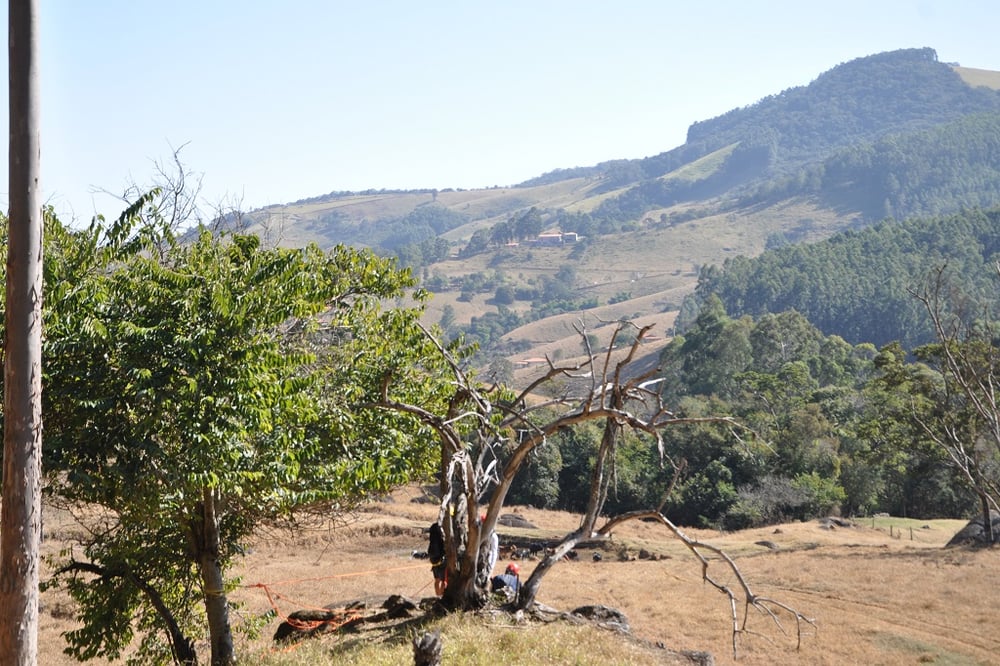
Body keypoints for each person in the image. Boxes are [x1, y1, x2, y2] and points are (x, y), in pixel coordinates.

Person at [428, 522, 446, 596]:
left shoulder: (433, 531)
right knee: (444, 581)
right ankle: (442, 597)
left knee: (437, 581)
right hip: (442, 560)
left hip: (434, 560)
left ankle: (437, 596)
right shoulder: (441, 535)